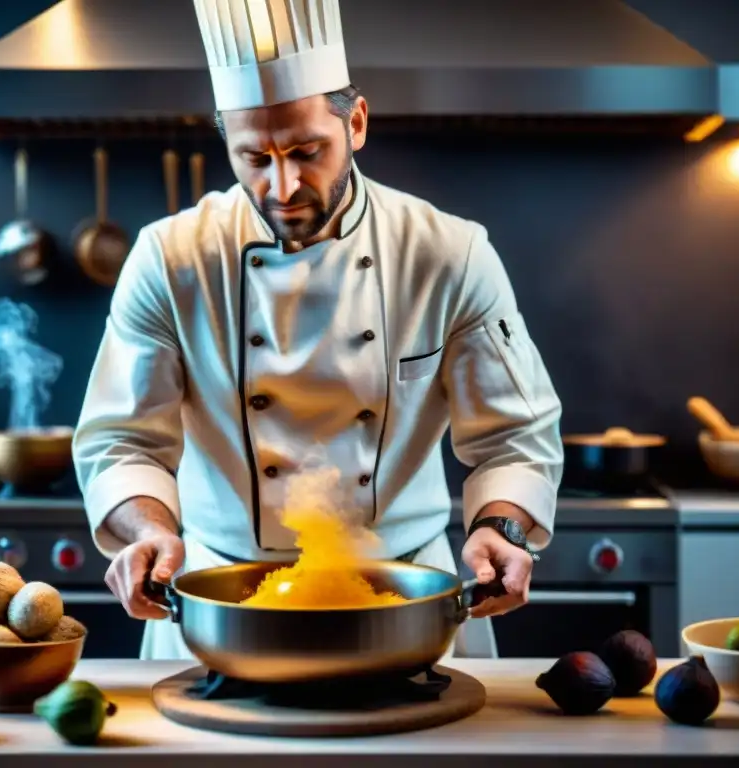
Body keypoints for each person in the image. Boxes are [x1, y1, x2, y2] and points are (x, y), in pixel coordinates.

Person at [72, 0, 564, 660]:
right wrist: (148, 531)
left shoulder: (449, 253)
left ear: (355, 122)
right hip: (223, 600)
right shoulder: (170, 259)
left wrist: (501, 526)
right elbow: (121, 440)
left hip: (404, 598)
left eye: (308, 150)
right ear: (226, 142)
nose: (284, 184)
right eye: (255, 157)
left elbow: (516, 436)